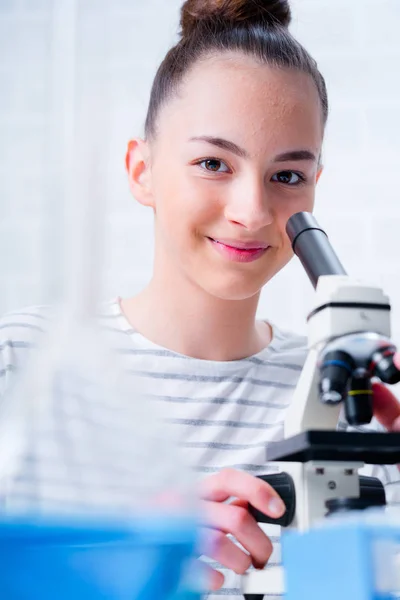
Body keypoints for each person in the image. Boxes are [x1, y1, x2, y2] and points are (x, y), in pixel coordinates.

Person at [1, 0, 400, 598]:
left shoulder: (349, 401)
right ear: (142, 170)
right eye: (213, 162)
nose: (252, 212)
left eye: (287, 176)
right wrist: (136, 553)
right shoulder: (22, 362)